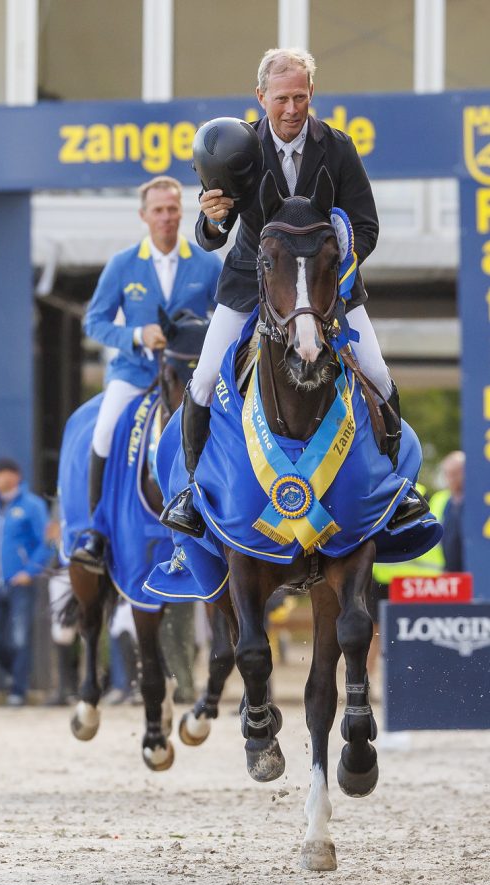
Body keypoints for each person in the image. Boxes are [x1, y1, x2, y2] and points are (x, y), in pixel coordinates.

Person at [162, 47, 426, 536]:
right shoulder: (236, 146)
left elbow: (365, 225)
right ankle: (190, 492)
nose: (291, 109)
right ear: (260, 96)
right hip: (249, 283)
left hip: (326, 289)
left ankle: (397, 489)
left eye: (300, 97)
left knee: (380, 376)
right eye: (281, 98)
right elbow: (208, 233)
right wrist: (214, 220)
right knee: (200, 382)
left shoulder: (339, 147)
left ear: (311, 95)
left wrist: (340, 259)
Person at [70, 175, 222, 573]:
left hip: (190, 376)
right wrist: (136, 334)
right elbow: (94, 323)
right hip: (134, 373)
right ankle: (95, 530)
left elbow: (229, 313)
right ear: (144, 215)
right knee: (103, 430)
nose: (166, 217)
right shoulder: (123, 264)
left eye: (172, 209)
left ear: (181, 211)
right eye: (158, 210)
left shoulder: (206, 263)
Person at [0, 458, 50, 706]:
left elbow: (46, 542)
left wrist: (30, 571)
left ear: (15, 476)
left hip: (20, 584)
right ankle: (14, 674)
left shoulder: (32, 505)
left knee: (20, 638)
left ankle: (19, 689)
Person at [439, 450, 465, 572]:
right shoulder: (448, 503)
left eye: (455, 474)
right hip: (452, 573)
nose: (451, 479)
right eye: (448, 474)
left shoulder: (475, 504)